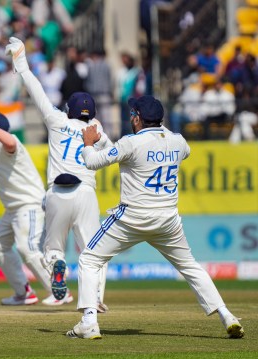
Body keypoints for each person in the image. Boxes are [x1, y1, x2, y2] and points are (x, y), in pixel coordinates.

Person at [67, 95, 245, 339]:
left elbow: (92, 163)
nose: (131, 118)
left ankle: (89, 321)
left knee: (88, 259)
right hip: (167, 220)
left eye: (133, 114)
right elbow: (185, 151)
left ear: (138, 118)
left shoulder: (130, 142)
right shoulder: (178, 141)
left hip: (132, 217)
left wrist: (89, 143)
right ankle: (227, 315)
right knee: (190, 267)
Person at [5, 37, 110, 311]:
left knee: (52, 249)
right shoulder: (96, 129)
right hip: (86, 192)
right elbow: (112, 155)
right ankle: (95, 298)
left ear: (69, 109)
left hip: (57, 192)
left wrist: (21, 61)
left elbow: (36, 89)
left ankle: (57, 266)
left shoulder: (57, 120)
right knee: (93, 252)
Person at [0, 84, 67, 306]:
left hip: (30, 205)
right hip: (13, 209)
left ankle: (59, 292)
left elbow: (8, 138)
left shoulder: (8, 146)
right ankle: (24, 292)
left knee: (28, 248)